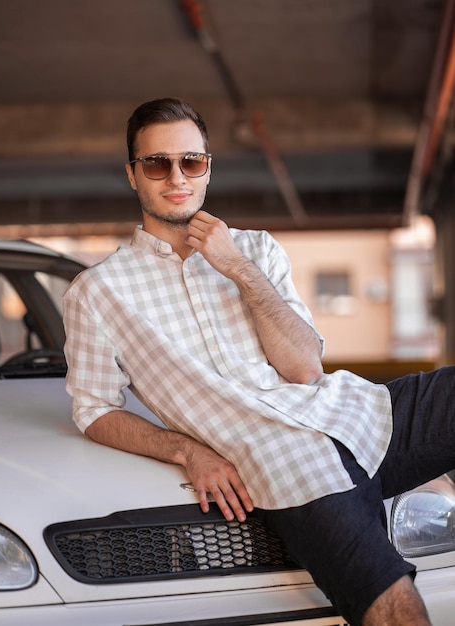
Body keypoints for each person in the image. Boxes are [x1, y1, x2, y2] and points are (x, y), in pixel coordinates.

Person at [63, 97, 454, 625]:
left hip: (359, 413)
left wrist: (238, 269)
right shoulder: (97, 292)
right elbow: (93, 409)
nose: (176, 176)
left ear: (207, 168)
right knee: (393, 605)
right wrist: (187, 451)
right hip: (287, 465)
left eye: (191, 162)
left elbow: (303, 370)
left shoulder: (255, 249)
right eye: (157, 163)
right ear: (133, 175)